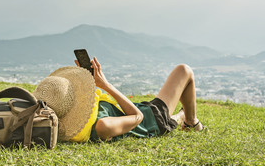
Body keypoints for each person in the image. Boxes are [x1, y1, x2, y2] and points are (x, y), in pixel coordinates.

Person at [33, 56, 204, 143]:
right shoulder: (102, 126)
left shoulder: (81, 116)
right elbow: (138, 117)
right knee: (184, 70)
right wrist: (106, 84)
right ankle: (191, 122)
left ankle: (181, 118)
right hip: (153, 120)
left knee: (181, 80)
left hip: (144, 109)